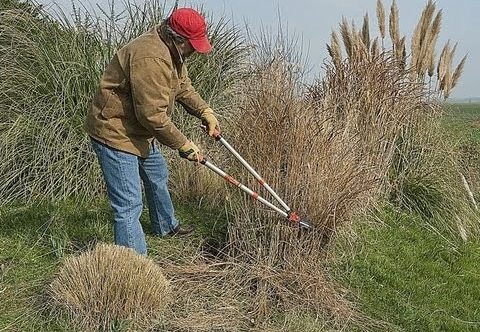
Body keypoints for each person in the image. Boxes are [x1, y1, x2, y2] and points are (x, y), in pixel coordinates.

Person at [84, 8, 219, 255]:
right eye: (193, 45)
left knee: (157, 175)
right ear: (178, 38)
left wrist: (205, 111)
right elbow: (152, 116)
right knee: (128, 205)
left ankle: (165, 226)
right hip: (115, 129)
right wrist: (183, 144)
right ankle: (135, 267)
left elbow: (183, 87)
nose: (195, 52)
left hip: (139, 129)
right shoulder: (150, 58)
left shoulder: (174, 52)